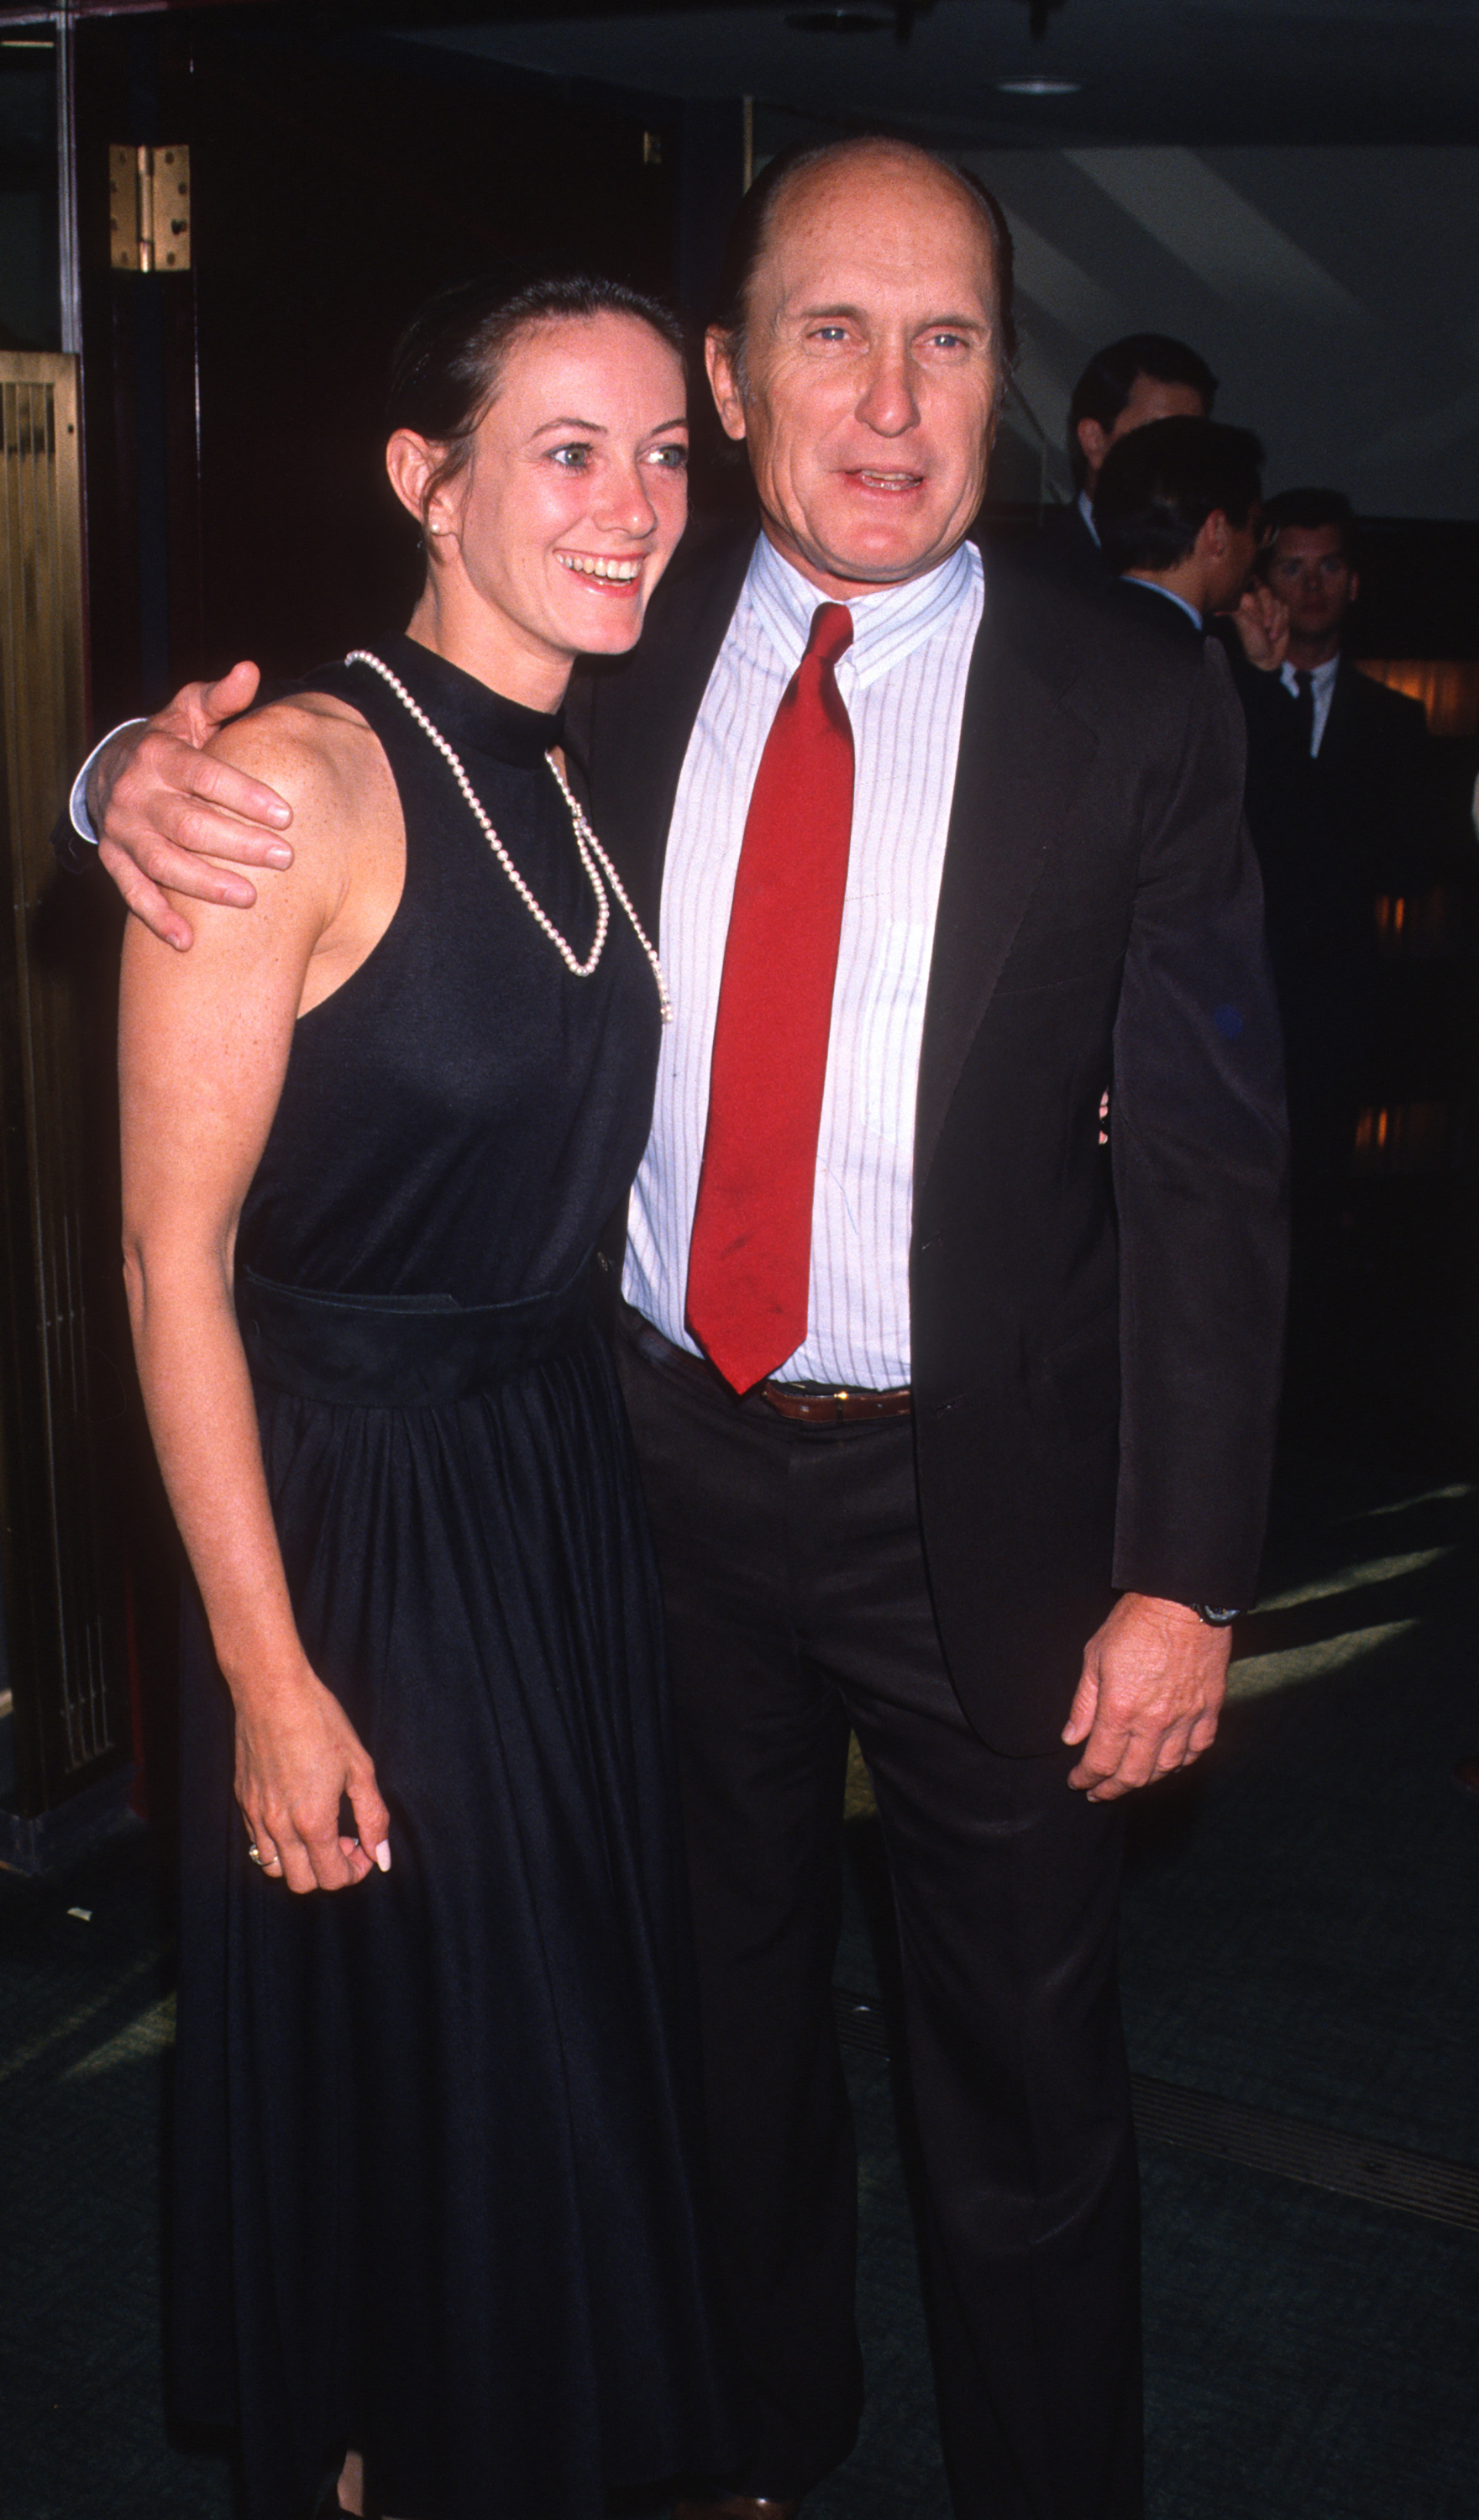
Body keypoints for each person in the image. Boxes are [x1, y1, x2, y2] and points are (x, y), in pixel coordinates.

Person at [80, 139, 1288, 2520]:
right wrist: (118, 779)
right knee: (706, 2031)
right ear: (733, 380)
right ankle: (750, 2450)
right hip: (644, 1483)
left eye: (944, 336)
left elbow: (1227, 1168)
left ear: (1004, 377)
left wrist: (1193, 1570)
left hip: (995, 1504)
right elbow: (334, 769)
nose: (886, 397)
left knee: (1022, 2091)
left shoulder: (1130, 694)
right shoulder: (619, 622)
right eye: (828, 333)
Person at [115, 272, 742, 2520]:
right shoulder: (290, 783)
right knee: (452, 2055)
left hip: (550, 1488)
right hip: (359, 1520)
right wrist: (264, 1679)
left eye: (668, 449)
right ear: (429, 478)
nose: (636, 501)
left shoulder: (580, 765)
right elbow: (166, 1264)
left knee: (540, 2031)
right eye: (568, 449)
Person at [1220, 488, 1434, 1322]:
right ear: (1262, 582)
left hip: (1334, 1002)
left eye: (1330, 566)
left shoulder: (1397, 721)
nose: (1311, 586)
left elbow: (1410, 866)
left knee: (1313, 1212)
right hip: (1223, 1002)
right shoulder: (1218, 697)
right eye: (1292, 568)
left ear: (1354, 583)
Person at [1022, 331, 1218, 590]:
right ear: (1095, 441)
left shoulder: (1209, 576)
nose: (1180, 458)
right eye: (1158, 437)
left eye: (1193, 440)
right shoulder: (1032, 575)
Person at [1093, 413, 1267, 643]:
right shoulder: (1191, 660)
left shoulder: (1074, 628)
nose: (1259, 547)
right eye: (1256, 527)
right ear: (1218, 531)